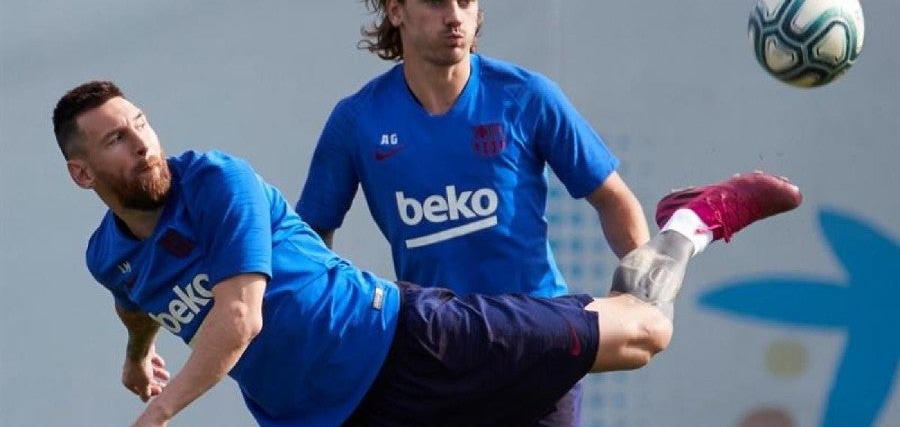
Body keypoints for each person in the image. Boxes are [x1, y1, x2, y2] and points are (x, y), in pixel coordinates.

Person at [53, 81, 801, 427]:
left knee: (646, 333)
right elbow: (133, 294)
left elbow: (239, 317)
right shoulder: (106, 256)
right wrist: (135, 352)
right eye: (117, 138)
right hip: (320, 418)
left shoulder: (214, 179)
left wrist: (163, 409)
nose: (142, 140)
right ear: (83, 173)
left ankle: (693, 222)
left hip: (408, 342)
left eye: (141, 121)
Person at [295, 0, 649, 425]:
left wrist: (639, 292)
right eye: (435, 0)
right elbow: (310, 240)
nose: (455, 15)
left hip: (539, 341)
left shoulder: (527, 96)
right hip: (439, 349)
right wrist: (320, 329)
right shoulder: (356, 121)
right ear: (396, 11)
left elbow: (613, 199)